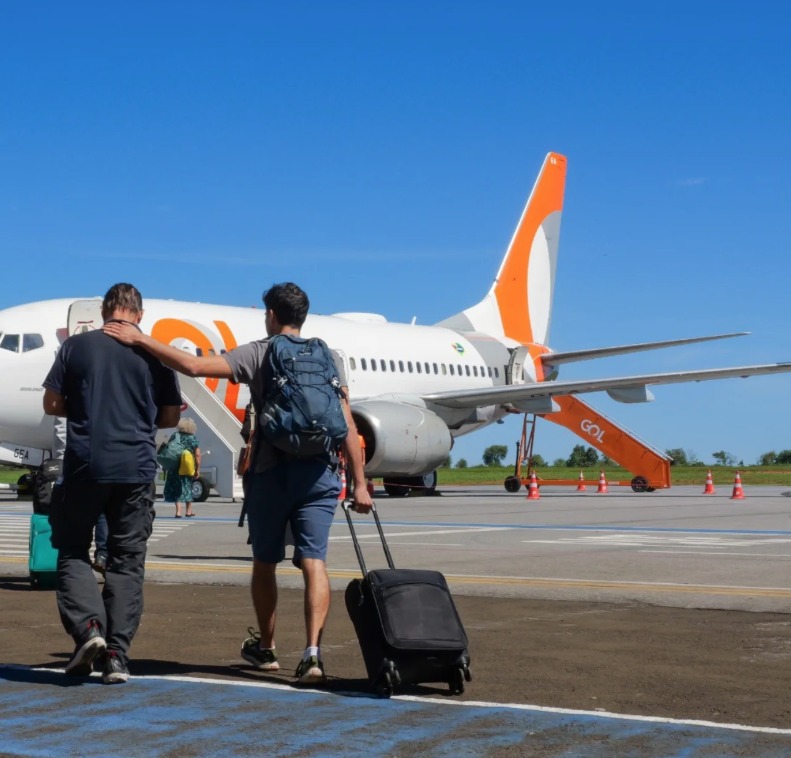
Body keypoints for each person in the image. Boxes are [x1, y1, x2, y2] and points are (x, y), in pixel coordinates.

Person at [103, 282, 372, 685]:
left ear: (271, 315)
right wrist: (361, 484)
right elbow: (347, 424)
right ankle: (313, 655)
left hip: (271, 472)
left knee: (265, 562)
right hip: (320, 474)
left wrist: (141, 340)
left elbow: (193, 367)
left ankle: (266, 647)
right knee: (314, 561)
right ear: (302, 316)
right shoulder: (328, 357)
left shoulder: (259, 352)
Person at [43, 283, 182, 684]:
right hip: (136, 468)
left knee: (71, 549)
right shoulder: (155, 353)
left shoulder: (76, 347)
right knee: (126, 560)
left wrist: (84, 409)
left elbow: (51, 404)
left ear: (105, 310)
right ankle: (118, 656)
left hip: (86, 463)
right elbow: (170, 417)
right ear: (139, 314)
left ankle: (89, 630)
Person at [163, 417, 201, 518]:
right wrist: (198, 469)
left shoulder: (175, 436)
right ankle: (188, 511)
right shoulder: (193, 438)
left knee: (176, 488)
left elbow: (168, 449)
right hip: (187, 467)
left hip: (174, 466)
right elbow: (197, 455)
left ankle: (178, 512)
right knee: (187, 487)